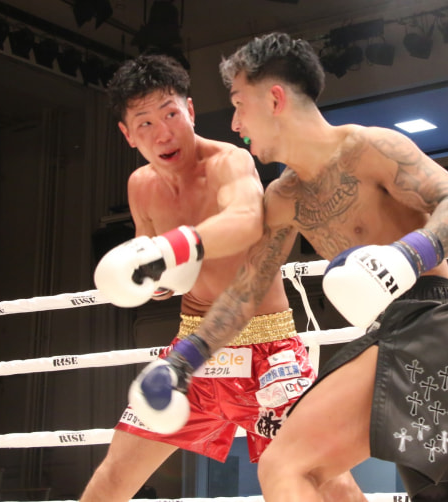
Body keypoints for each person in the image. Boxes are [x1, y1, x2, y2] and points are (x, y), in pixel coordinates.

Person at [128, 32, 448, 501]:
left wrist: (406, 256)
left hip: (433, 323)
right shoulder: (284, 198)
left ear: (275, 99)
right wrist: (182, 361)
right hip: (408, 337)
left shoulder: (370, 148)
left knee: (286, 465)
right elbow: (245, 292)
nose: (236, 122)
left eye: (239, 103)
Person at [81, 54, 362, 502]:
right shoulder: (140, 186)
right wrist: (153, 282)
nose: (163, 133)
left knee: (326, 481)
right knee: (114, 474)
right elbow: (159, 277)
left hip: (267, 350)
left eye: (170, 114)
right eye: (145, 123)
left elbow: (246, 221)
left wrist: (172, 247)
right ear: (128, 134)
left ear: (190, 111)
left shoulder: (229, 162)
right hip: (192, 351)